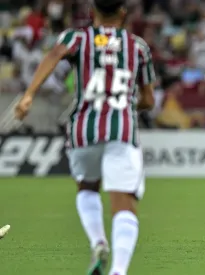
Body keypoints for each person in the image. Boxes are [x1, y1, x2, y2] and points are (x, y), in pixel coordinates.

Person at [14, 0, 156, 274]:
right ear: (123, 14)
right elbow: (148, 99)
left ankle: (98, 241)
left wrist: (29, 94)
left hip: (82, 130)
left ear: (92, 14)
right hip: (121, 130)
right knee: (123, 201)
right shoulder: (138, 46)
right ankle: (118, 270)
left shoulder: (77, 37)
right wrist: (127, 104)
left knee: (87, 187)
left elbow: (54, 55)